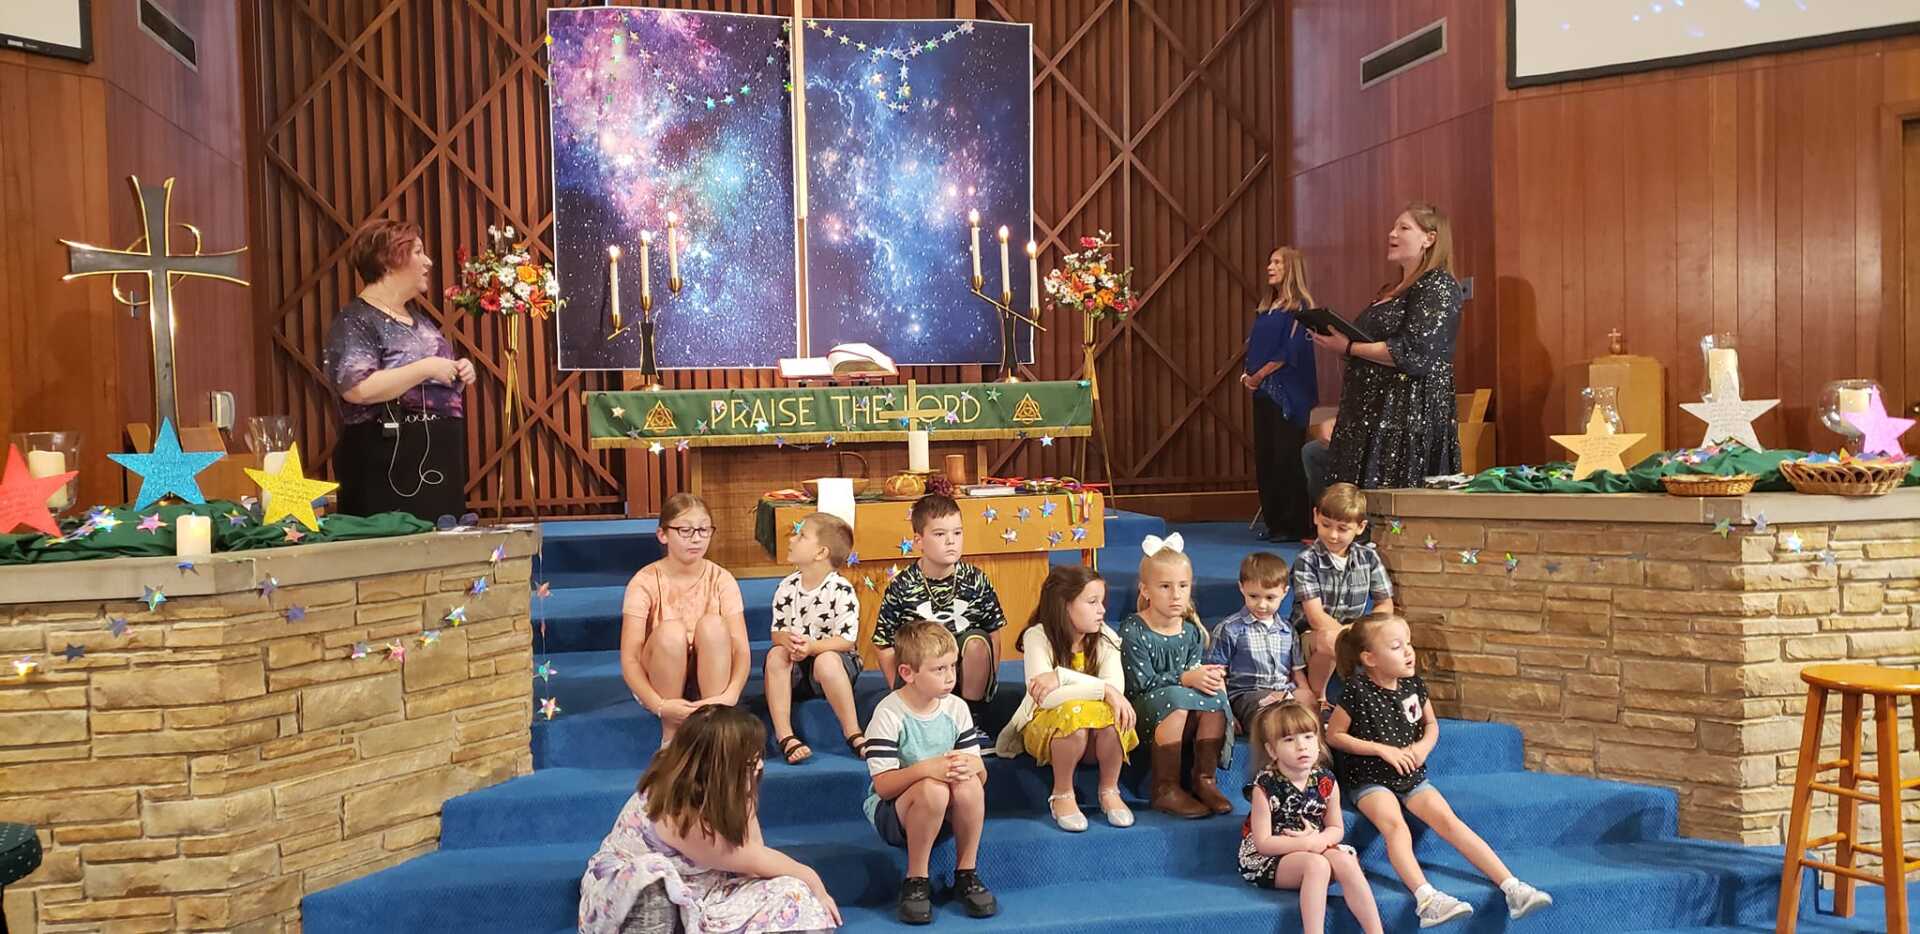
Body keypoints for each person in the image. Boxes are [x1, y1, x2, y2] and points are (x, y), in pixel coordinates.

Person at [1329, 615, 1553, 927]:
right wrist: (1381, 749)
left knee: (1448, 821)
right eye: (1396, 646)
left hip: (1409, 775)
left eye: (1408, 643)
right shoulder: (1357, 690)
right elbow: (1334, 735)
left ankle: (1512, 886)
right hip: (1369, 778)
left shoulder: (1413, 686)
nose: (1408, 651)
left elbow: (1430, 725)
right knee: (1396, 827)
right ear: (1370, 658)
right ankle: (1426, 898)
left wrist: (1421, 748)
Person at [577, 705, 841, 934]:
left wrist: (746, 789)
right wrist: (812, 878)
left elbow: (751, 855)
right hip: (635, 890)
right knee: (653, 881)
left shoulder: (727, 786)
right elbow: (752, 858)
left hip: (706, 887)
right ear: (717, 762)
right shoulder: (675, 805)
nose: (759, 765)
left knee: (791, 892)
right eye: (748, 759)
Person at [324, 219, 477, 522]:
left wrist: (459, 370)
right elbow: (357, 388)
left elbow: (431, 375)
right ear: (390, 258)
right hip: (387, 459)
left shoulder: (418, 319)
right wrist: (425, 368)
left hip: (437, 457)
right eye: (418, 252)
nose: (428, 262)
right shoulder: (357, 319)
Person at [1310, 202, 1464, 489]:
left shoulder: (1437, 285)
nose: (1391, 233)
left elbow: (1413, 352)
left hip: (1403, 416)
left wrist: (1347, 348)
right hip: (1370, 411)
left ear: (1429, 238)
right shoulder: (1391, 290)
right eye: (1393, 227)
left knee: (1388, 508)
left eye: (1403, 228)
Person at [863, 620, 997, 924]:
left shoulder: (957, 708)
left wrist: (974, 766)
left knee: (971, 784)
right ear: (908, 674)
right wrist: (928, 769)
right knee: (932, 788)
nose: (950, 677)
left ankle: (966, 872)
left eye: (953, 667)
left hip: (945, 810)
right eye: (939, 670)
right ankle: (916, 878)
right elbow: (883, 787)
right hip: (895, 812)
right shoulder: (889, 713)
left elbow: (980, 774)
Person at [993, 565, 1139, 832]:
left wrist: (1062, 677)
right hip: (1049, 729)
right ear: (1064, 605)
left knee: (1110, 715)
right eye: (1092, 602)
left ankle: (1109, 790)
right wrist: (1101, 690)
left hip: (1095, 737)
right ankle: (1062, 793)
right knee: (1073, 712)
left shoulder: (1106, 637)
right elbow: (1046, 698)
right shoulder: (1037, 636)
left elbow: (1115, 688)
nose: (1102, 610)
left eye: (1102, 602)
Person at [1238, 702, 1385, 934]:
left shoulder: (1326, 781)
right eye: (1289, 740)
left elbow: (1336, 827)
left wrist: (1319, 840)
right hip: (1271, 858)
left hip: (1314, 845)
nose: (1301, 746)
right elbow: (1263, 844)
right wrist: (1306, 843)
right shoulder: (1264, 787)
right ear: (1272, 750)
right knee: (1317, 866)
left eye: (1308, 737)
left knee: (1346, 862)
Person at [620, 493, 752, 748]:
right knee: (671, 632)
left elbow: (741, 649)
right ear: (663, 534)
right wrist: (660, 705)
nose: (696, 538)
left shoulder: (722, 579)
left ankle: (714, 727)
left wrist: (731, 694)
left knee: (713, 626)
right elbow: (630, 658)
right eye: (685, 530)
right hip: (660, 681)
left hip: (713, 679)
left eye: (703, 530)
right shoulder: (644, 581)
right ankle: (671, 737)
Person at [1117, 534, 1233, 818]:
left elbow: (1194, 675)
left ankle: (1204, 779)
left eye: (1183, 586)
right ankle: (1164, 788)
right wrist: (1186, 678)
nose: (1176, 595)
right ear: (1145, 590)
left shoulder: (1191, 630)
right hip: (1145, 713)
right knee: (1176, 698)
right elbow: (1140, 683)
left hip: (1179, 708)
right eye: (1165, 587)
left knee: (1213, 698)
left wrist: (1210, 681)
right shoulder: (1134, 629)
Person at [871, 494, 1008, 726]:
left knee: (976, 642)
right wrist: (899, 687)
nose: (951, 541)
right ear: (919, 541)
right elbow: (883, 642)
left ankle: (971, 718)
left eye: (957, 532)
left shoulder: (975, 580)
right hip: (920, 678)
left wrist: (990, 682)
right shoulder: (903, 585)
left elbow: (994, 633)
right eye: (939, 534)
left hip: (964, 676)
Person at [765, 513, 866, 765]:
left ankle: (853, 732)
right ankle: (785, 735)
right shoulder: (786, 587)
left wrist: (812, 648)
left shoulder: (841, 590)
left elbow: (846, 640)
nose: (793, 539)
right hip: (797, 669)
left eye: (801, 535)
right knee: (775, 655)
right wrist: (787, 642)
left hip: (831, 666)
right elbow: (777, 632)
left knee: (827, 661)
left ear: (820, 552)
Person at [1289, 483, 1395, 710]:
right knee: (1329, 639)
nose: (1333, 535)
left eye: (1343, 528)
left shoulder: (1369, 557)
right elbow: (1316, 617)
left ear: (1360, 527)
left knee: (1394, 631)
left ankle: (1382, 697)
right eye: (1326, 525)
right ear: (1316, 516)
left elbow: (1384, 603)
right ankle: (1317, 699)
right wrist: (1352, 638)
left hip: (1352, 631)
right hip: (1310, 636)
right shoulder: (1306, 560)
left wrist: (1365, 632)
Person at [1208, 551, 1311, 779]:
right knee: (1274, 719)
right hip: (1248, 696)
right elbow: (1216, 676)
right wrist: (1226, 714)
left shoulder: (1288, 630)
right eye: (1254, 596)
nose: (1262, 605)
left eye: (1270, 598)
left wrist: (1308, 697)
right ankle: (1272, 775)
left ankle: (1313, 771)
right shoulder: (1230, 629)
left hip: (1285, 694)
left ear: (1284, 593)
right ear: (1241, 588)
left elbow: (1297, 675)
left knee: (1305, 717)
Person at [1241, 247, 1319, 542]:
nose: (1269, 266)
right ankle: (1275, 522)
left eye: (1277, 262)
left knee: (1287, 457)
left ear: (1291, 269)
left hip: (1287, 392)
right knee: (1267, 457)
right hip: (1262, 391)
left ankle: (1294, 523)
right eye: (1269, 260)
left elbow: (1289, 352)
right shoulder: (1267, 308)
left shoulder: (1300, 308)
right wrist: (1249, 375)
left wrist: (1259, 375)